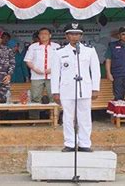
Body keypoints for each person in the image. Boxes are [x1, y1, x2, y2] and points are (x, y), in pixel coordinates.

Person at [51, 22, 101, 152]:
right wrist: (55, 91)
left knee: (85, 117)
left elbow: (95, 71)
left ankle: (84, 143)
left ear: (82, 36)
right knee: (68, 117)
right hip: (66, 89)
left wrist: (95, 88)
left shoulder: (89, 50)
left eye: (77, 34)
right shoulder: (59, 52)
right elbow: (55, 73)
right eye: (72, 34)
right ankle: (70, 143)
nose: (75, 37)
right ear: (66, 36)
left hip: (84, 88)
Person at [24, 27, 60, 120]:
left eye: (46, 34)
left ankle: (55, 119)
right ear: (39, 36)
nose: (43, 35)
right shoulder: (33, 46)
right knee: (35, 98)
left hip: (53, 76)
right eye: (41, 34)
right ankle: (34, 119)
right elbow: (28, 60)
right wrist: (35, 69)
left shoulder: (56, 46)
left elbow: (61, 61)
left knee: (54, 97)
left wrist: (53, 69)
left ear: (50, 35)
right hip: (36, 76)